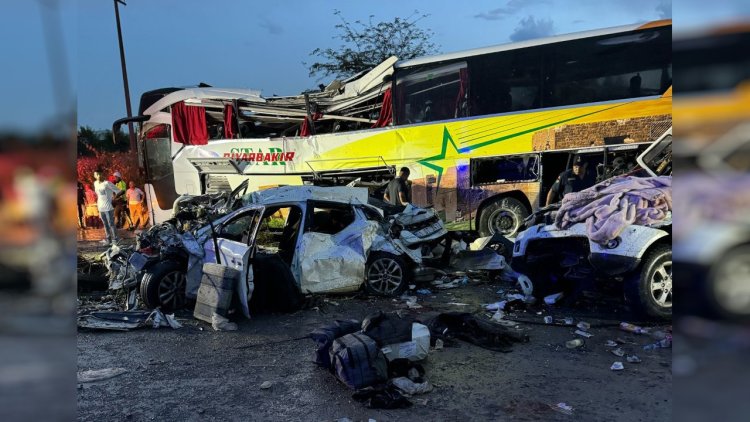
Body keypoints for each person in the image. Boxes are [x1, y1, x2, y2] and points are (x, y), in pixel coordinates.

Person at [93, 168, 123, 245]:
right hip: (101, 207)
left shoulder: (107, 183)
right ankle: (108, 239)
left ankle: (115, 239)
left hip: (108, 207)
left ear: (100, 175)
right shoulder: (95, 183)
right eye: (95, 175)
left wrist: (114, 198)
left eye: (96, 174)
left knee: (111, 224)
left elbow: (120, 191)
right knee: (105, 224)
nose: (95, 176)